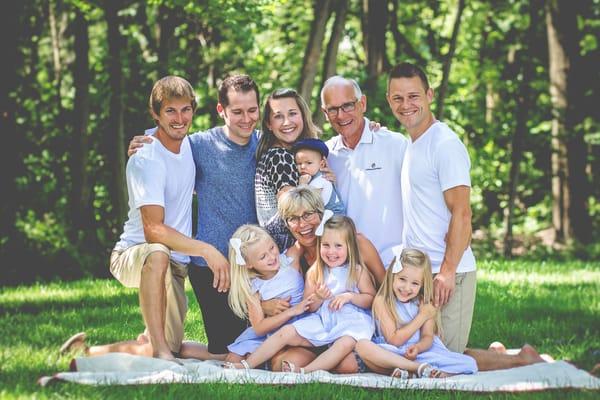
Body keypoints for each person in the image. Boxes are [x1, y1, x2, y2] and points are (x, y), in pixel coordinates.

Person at [61, 76, 231, 362]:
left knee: (169, 344)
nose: (179, 118)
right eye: (170, 111)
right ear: (155, 113)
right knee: (158, 251)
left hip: (175, 263)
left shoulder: (189, 147)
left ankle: (88, 353)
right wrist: (205, 249)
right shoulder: (147, 157)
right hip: (135, 254)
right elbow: (153, 230)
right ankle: (161, 351)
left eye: (185, 109)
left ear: (193, 110)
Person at [126, 74, 261, 356]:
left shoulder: (266, 146)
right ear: (221, 110)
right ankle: (147, 347)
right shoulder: (198, 145)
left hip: (258, 267)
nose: (246, 119)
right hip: (213, 271)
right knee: (235, 351)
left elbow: (304, 146)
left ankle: (149, 345)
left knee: (259, 346)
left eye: (252, 110)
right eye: (237, 111)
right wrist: (143, 141)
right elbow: (166, 142)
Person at [386, 62, 476, 353]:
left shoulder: (444, 144)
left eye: (413, 96)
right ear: (389, 100)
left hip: (449, 274)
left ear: (429, 95)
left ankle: (524, 361)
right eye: (398, 98)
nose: (406, 105)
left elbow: (462, 214)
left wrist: (448, 272)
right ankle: (507, 355)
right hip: (420, 276)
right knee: (429, 355)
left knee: (447, 358)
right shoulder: (412, 145)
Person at [226, 213, 376, 373]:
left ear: (350, 246)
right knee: (286, 332)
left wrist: (349, 297)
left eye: (338, 246)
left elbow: (370, 298)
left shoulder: (356, 270)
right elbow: (310, 308)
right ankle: (246, 365)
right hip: (324, 321)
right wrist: (318, 297)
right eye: (326, 245)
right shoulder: (315, 272)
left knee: (345, 343)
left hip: (351, 322)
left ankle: (306, 371)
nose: (331, 252)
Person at [321, 76, 408, 266]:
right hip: (347, 269)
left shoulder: (394, 144)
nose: (341, 115)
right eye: (333, 109)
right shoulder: (324, 155)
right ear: (325, 113)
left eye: (348, 106)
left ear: (362, 103)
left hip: (394, 265)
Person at [356, 247, 478, 378]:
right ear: (392, 276)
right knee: (362, 346)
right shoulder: (382, 301)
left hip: (420, 354)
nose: (406, 288)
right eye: (402, 279)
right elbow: (394, 340)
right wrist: (422, 316)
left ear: (422, 285)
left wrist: (418, 348)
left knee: (469, 363)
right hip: (392, 353)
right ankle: (417, 369)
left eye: (415, 283)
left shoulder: (423, 303)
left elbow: (427, 336)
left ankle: (413, 373)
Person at [224, 225, 314, 364]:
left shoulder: (289, 259)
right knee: (233, 360)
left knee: (291, 360)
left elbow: (307, 241)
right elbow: (259, 328)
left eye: (272, 248)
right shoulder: (254, 287)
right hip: (271, 332)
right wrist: (290, 312)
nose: (272, 257)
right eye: (263, 257)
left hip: (299, 326)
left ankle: (268, 360)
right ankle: (265, 359)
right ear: (249, 264)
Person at [254, 88, 320, 251]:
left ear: (303, 116)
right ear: (269, 124)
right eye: (278, 116)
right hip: (288, 252)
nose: (286, 122)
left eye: (292, 113)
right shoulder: (280, 157)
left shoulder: (291, 154)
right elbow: (294, 207)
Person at [291, 138, 345, 215]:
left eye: (309, 163)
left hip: (334, 218)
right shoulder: (313, 178)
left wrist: (302, 186)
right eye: (299, 163)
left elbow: (306, 204)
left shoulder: (320, 180)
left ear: (322, 164)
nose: (302, 166)